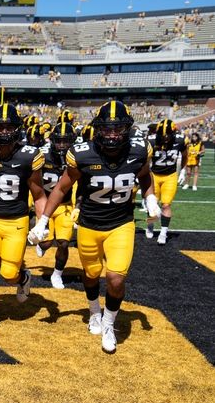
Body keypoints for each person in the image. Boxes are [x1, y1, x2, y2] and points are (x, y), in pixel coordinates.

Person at [29, 100, 161, 354]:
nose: (112, 134)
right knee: (90, 275)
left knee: (115, 277)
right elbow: (62, 188)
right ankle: (93, 312)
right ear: (98, 129)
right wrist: (43, 220)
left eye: (118, 129)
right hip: (89, 224)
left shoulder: (139, 150)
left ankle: (109, 324)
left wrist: (150, 197)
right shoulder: (82, 153)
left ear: (127, 129)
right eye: (107, 129)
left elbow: (145, 175)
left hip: (121, 224)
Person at [0, 103, 46, 335]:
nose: (4, 132)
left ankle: (23, 277)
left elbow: (38, 193)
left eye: (9, 127)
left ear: (17, 129)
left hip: (16, 221)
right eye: (0, 127)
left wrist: (42, 222)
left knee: (8, 274)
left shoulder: (28, 156)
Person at [35, 122, 78, 289]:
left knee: (63, 243)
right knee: (46, 243)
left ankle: (57, 274)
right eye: (58, 141)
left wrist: (78, 205)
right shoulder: (42, 155)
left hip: (65, 205)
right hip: (45, 205)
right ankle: (41, 245)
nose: (61, 145)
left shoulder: (76, 157)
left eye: (66, 141)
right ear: (52, 140)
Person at [146, 119, 187, 245]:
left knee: (166, 205)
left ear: (173, 133)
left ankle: (163, 233)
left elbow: (185, 156)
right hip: (154, 175)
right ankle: (150, 225)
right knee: (152, 205)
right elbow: (145, 160)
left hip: (170, 176)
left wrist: (183, 170)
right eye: (162, 135)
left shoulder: (180, 140)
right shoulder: (152, 141)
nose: (165, 138)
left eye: (168, 135)